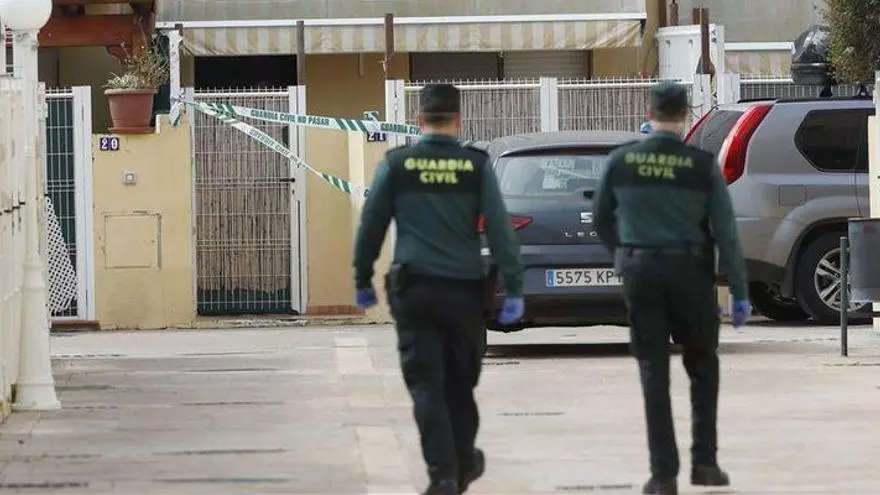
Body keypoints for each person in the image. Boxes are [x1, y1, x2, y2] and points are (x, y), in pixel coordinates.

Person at [352, 83, 525, 495]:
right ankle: (463, 461)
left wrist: (362, 278)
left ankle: (443, 475)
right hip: (464, 293)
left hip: (415, 293)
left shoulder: (397, 165)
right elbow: (500, 230)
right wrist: (515, 286)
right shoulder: (475, 166)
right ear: (458, 120)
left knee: (426, 385)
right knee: (459, 385)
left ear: (419, 120)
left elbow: (372, 224)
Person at [591, 81, 752, 495]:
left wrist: (623, 254)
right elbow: (726, 231)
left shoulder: (621, 161)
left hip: (641, 271)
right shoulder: (701, 166)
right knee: (703, 368)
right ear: (684, 116)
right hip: (690, 273)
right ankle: (705, 464)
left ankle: (663, 475)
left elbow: (601, 218)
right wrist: (739, 290)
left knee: (653, 371)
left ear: (650, 113)